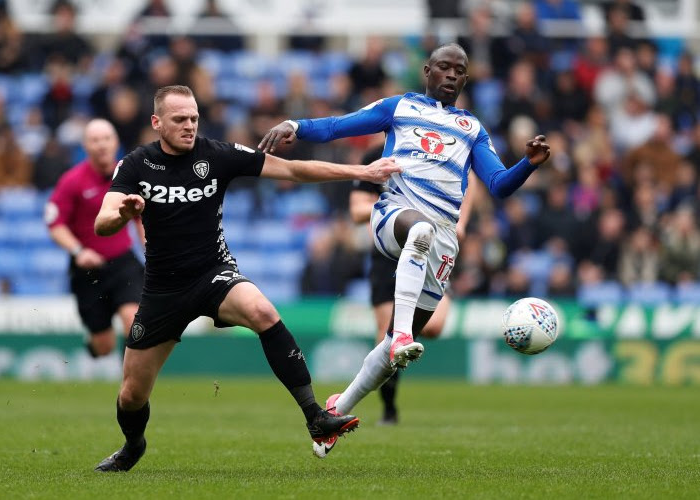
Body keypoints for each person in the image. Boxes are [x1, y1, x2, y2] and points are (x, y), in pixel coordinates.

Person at [259, 43, 550, 457]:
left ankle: (335, 412)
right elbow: (339, 126)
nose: (451, 75)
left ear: (466, 80)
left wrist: (530, 164)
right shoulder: (400, 107)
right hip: (394, 215)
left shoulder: (473, 128)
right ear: (427, 71)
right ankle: (399, 337)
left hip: (444, 241)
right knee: (419, 238)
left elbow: (499, 186)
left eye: (459, 71)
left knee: (395, 350)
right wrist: (295, 125)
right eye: (444, 68)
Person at [93, 85, 401, 472]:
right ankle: (132, 446)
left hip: (213, 273)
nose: (189, 126)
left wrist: (362, 171)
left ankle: (315, 418)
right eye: (179, 120)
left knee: (262, 311)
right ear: (157, 123)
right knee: (132, 395)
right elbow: (102, 222)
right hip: (163, 290)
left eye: (193, 118)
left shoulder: (216, 155)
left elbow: (293, 169)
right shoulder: (136, 165)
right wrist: (123, 212)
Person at [349, 145, 478, 427]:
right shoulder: (375, 156)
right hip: (389, 252)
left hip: (432, 247)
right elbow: (357, 210)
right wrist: (397, 208)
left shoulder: (441, 151)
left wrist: (461, 221)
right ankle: (389, 410)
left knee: (431, 327)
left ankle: (441, 295)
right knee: (388, 335)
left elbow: (470, 180)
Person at [46, 119, 144, 358]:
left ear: (116, 143)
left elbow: (141, 218)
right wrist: (79, 251)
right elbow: (55, 224)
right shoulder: (72, 181)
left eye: (106, 139)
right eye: (95, 140)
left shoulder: (129, 176)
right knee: (104, 346)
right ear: (85, 146)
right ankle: (94, 341)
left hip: (123, 263)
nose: (101, 145)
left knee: (133, 324)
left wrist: (151, 248)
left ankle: (132, 386)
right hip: (88, 270)